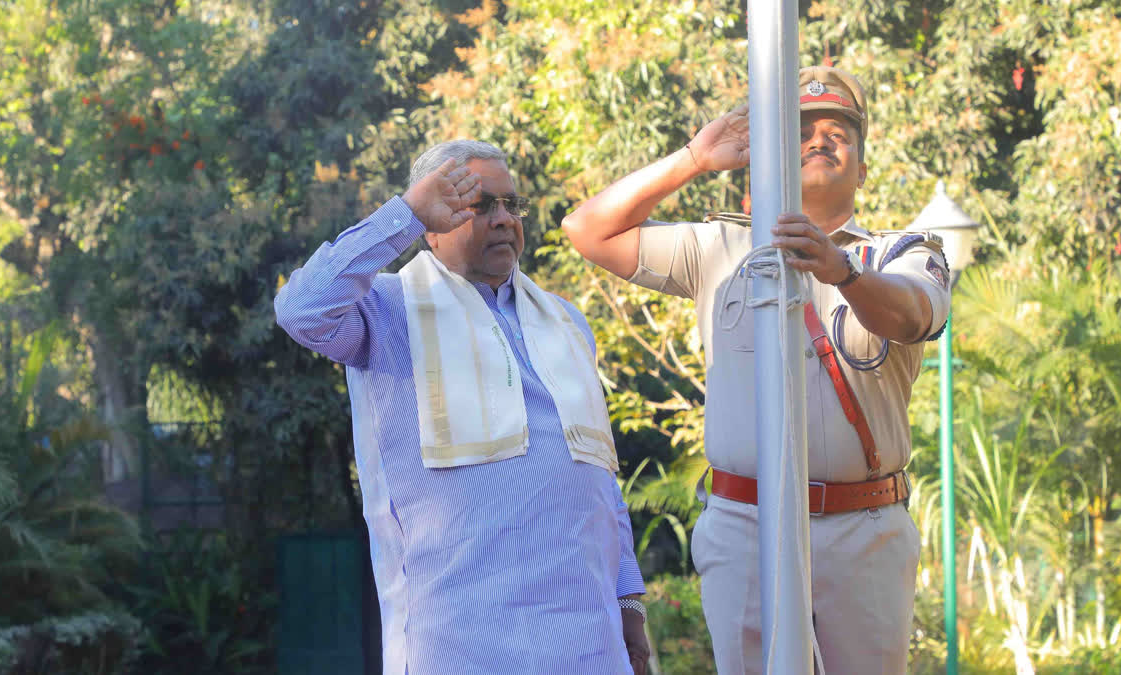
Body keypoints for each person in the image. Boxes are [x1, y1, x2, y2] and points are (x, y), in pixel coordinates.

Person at [561, 66, 952, 674]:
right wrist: (694, 158)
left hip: (864, 525)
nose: (821, 139)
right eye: (801, 131)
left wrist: (840, 269)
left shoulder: (902, 252)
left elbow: (912, 315)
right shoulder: (718, 246)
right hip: (747, 523)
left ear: (864, 167)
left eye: (839, 132)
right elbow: (586, 230)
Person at [275, 140, 650, 675]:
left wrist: (628, 598)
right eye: (479, 206)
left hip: (588, 641)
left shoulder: (565, 323)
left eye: (510, 205)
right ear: (433, 224)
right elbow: (300, 309)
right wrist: (402, 214)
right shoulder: (387, 311)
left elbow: (596, 469)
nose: (502, 220)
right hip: (463, 644)